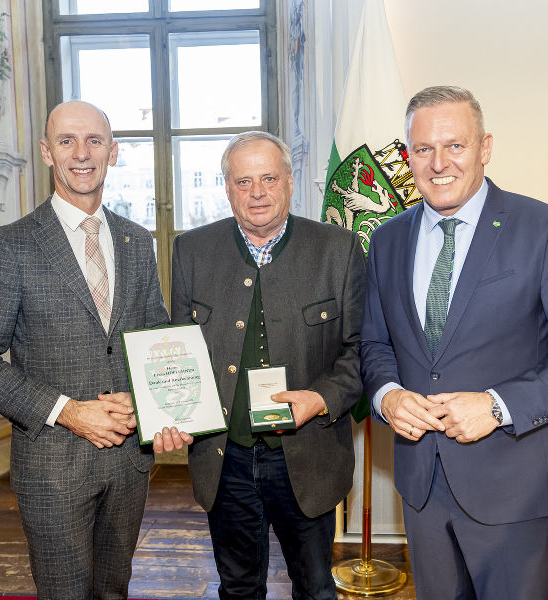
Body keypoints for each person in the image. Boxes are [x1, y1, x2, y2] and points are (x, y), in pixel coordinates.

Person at [360, 86, 548, 599]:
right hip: (420, 487)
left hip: (512, 488)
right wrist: (387, 396)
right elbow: (375, 344)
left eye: (455, 146)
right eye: (423, 149)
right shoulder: (387, 239)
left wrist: (498, 406)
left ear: (485, 147)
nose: (438, 164)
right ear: (408, 155)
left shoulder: (544, 228)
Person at [0, 100, 170, 599]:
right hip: (53, 467)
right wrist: (68, 411)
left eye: (94, 141)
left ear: (113, 152)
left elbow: (154, 339)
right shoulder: (11, 245)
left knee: (114, 590)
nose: (82, 153)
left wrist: (146, 400)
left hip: (129, 464)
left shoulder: (137, 241)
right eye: (67, 141)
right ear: (47, 152)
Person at [164, 131, 365, 600]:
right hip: (224, 459)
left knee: (315, 588)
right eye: (243, 181)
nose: (257, 192)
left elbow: (362, 351)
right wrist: (171, 412)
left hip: (309, 456)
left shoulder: (338, 250)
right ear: (227, 188)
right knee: (237, 587)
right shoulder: (192, 250)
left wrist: (319, 399)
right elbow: (177, 351)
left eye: (269, 179)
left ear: (289, 182)